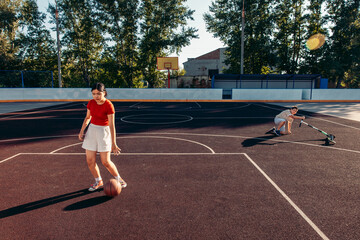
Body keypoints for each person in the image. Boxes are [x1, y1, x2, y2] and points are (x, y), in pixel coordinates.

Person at [78, 82, 127, 191]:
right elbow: (87, 118)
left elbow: (111, 125)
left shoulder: (108, 105)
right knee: (90, 160)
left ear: (104, 93)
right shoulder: (91, 103)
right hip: (92, 130)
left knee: (105, 161)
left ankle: (119, 179)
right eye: (94, 94)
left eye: (98, 93)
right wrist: (82, 131)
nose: (96, 96)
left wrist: (114, 143)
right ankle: (98, 181)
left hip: (104, 132)